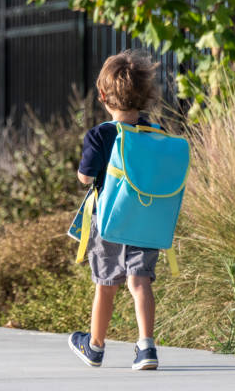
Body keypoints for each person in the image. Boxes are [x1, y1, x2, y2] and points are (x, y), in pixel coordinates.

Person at [68, 49, 162, 371]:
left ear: (104, 96)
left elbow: (85, 178)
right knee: (140, 284)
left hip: (109, 222)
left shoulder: (100, 135)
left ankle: (94, 346)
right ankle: (146, 347)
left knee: (106, 285)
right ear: (146, 95)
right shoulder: (153, 133)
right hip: (146, 222)